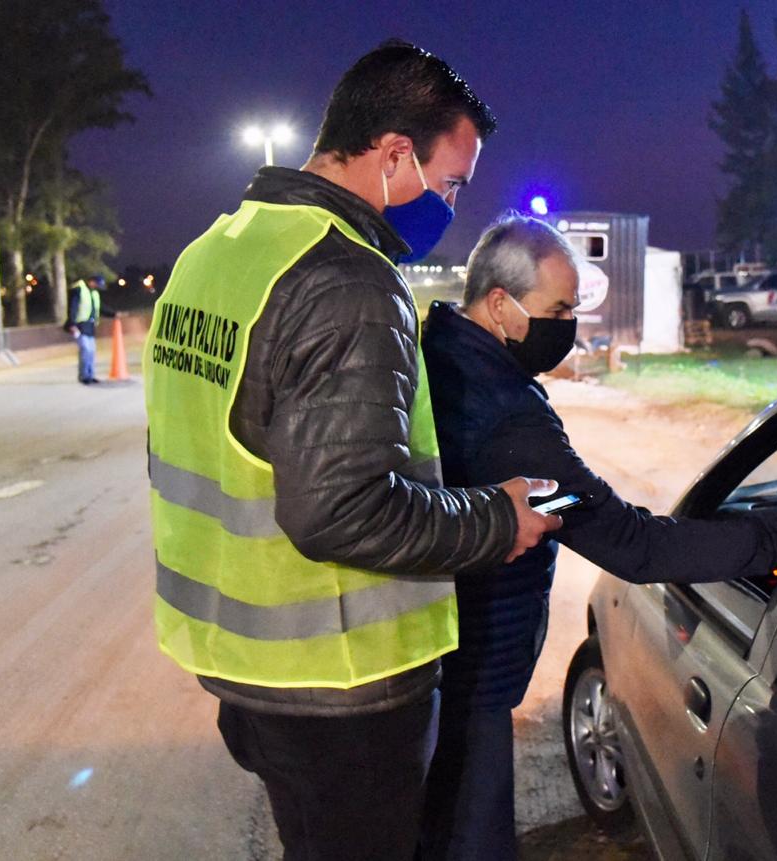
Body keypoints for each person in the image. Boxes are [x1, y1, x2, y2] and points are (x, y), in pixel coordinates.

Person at [142, 43, 560, 861]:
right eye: (451, 183)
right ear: (396, 154)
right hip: (341, 685)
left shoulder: (213, 254)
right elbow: (342, 508)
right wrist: (497, 519)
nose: (450, 205)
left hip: (242, 663)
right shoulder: (347, 280)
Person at [418, 215, 777, 861]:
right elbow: (634, 545)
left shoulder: (432, 355)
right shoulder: (507, 416)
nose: (568, 324)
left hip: (437, 661)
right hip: (475, 675)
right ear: (499, 304)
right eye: (558, 309)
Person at [65, 275, 116, 384]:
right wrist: (72, 324)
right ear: (91, 281)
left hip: (90, 327)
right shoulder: (79, 290)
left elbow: (100, 308)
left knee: (91, 351)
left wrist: (114, 314)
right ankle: (84, 376)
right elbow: (73, 308)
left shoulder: (94, 293)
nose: (98, 287)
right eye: (97, 284)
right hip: (80, 326)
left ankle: (90, 375)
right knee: (85, 350)